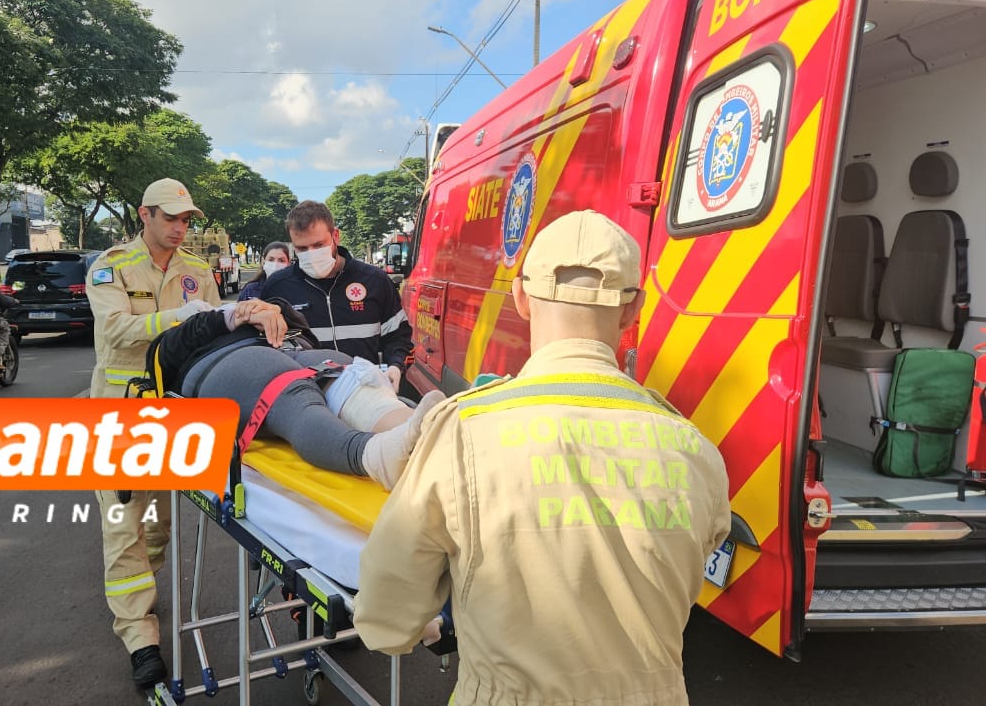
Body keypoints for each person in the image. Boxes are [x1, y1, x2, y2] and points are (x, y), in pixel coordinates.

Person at [353, 210, 731, 706]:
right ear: (633, 309)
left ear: (522, 298)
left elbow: (385, 620)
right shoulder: (695, 449)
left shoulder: (463, 432)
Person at [86, 177, 221, 694]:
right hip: (118, 419)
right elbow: (117, 330)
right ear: (145, 215)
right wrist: (179, 318)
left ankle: (137, 585)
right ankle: (140, 638)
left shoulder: (198, 271)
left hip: (171, 417)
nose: (180, 228)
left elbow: (210, 339)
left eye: (187, 219)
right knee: (124, 524)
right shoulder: (112, 266)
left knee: (158, 527)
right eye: (171, 218)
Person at [146, 297, 443, 485]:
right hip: (223, 366)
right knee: (290, 390)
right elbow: (162, 353)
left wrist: (274, 308)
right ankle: (371, 455)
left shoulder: (255, 310)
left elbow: (304, 331)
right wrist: (227, 316)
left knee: (347, 372)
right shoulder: (186, 333)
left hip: (288, 349)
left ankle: (425, 426)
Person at [261, 201, 413, 391]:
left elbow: (398, 334)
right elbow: (265, 346)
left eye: (319, 245)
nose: (312, 255)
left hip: (366, 390)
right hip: (306, 393)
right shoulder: (278, 287)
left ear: (335, 236)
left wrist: (396, 365)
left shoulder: (375, 281)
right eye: (302, 249)